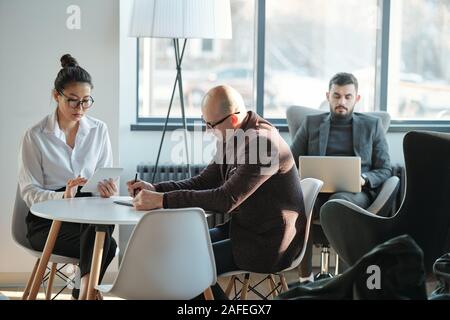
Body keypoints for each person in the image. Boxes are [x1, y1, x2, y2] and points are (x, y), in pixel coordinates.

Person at [127, 85, 306, 299]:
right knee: (175, 249)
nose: (206, 130)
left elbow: (226, 199)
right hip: (245, 230)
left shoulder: (263, 143)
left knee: (186, 264)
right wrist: (156, 189)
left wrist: (163, 200)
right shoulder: (234, 134)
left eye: (209, 124)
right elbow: (204, 180)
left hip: (267, 243)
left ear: (231, 120)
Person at [18, 54, 118, 300]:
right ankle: (84, 292)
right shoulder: (36, 135)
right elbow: (29, 190)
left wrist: (107, 189)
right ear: (56, 96)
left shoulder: (99, 130)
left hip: (89, 212)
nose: (80, 109)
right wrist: (62, 195)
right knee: (107, 245)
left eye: (86, 101)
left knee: (99, 228)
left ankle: (83, 292)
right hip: (47, 220)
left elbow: (105, 174)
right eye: (73, 101)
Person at [290, 72, 391, 282]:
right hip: (318, 190)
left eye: (347, 96)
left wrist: (363, 179)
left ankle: (346, 280)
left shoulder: (372, 126)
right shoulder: (311, 124)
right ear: (328, 95)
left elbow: (385, 169)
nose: (341, 102)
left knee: (338, 203)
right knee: (304, 204)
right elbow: (290, 162)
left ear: (357, 98)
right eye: (336, 96)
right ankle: (305, 278)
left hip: (354, 192)